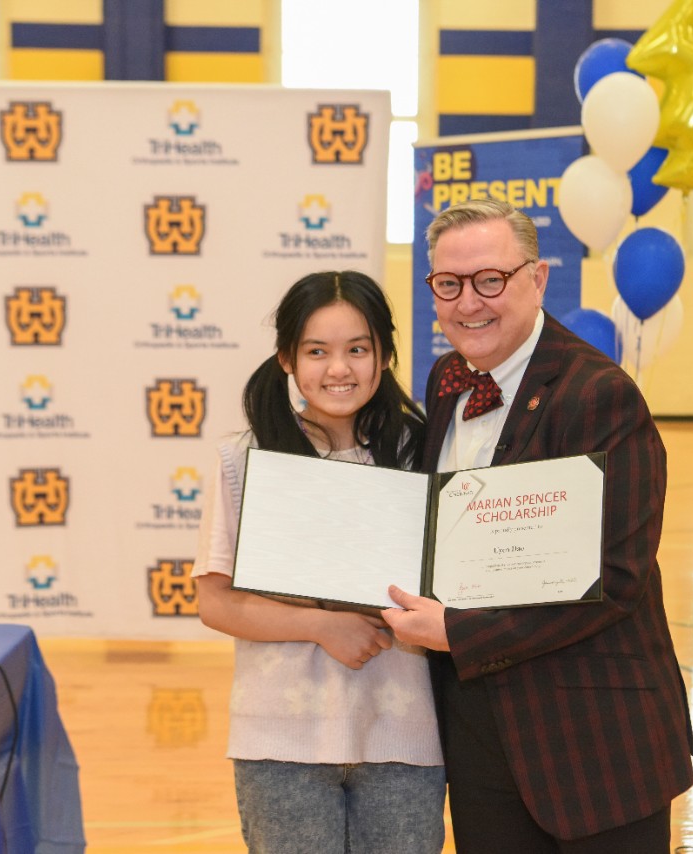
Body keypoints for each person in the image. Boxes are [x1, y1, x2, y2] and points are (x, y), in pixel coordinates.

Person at [381, 199, 693, 852]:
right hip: (480, 742)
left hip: (593, 744)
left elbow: (616, 580)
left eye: (491, 279)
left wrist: (455, 631)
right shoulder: (446, 380)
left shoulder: (599, 396)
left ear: (539, 278)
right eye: (449, 284)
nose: (470, 302)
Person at [192, 270, 445, 854]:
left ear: (385, 356)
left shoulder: (421, 453)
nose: (340, 369)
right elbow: (214, 601)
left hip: (402, 736)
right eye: (317, 351)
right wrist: (321, 625)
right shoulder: (244, 457)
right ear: (286, 358)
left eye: (358, 349)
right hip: (279, 739)